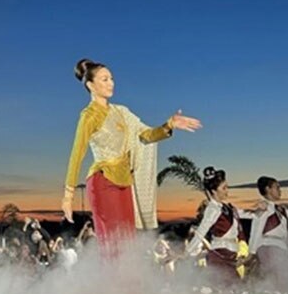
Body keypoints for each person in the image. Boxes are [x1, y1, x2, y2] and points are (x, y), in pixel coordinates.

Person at [62, 59, 201, 246]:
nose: (111, 83)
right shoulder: (89, 116)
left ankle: (129, 276)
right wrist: (69, 195)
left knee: (128, 242)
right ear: (90, 85)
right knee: (113, 242)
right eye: (104, 79)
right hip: (103, 182)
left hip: (125, 182)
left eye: (111, 78)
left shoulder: (121, 111)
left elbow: (146, 135)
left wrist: (169, 124)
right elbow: (77, 154)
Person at [185, 167, 247, 283]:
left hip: (230, 254)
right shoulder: (213, 209)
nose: (227, 191)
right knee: (230, 290)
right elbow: (201, 232)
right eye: (224, 188)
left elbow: (244, 213)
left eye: (227, 187)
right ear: (214, 191)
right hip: (220, 255)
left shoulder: (227, 208)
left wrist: (258, 211)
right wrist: (187, 252)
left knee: (233, 290)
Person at [248, 176, 288, 289]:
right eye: (277, 187)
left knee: (281, 281)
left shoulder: (278, 209)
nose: (280, 190)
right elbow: (256, 229)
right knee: (273, 281)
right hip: (269, 247)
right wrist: (252, 252)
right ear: (268, 189)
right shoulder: (264, 207)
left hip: (280, 247)